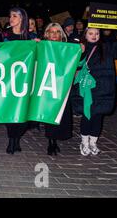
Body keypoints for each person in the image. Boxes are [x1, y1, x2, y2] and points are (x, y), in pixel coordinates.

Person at [71, 28, 117, 156]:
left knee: (98, 116)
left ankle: (93, 143)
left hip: (102, 89)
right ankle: (84, 143)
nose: (94, 36)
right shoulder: (80, 48)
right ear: (85, 34)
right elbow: (74, 65)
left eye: (97, 33)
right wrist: (80, 52)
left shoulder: (106, 47)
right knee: (87, 116)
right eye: (90, 33)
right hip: (86, 89)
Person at [1, 7, 37, 155]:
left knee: (24, 112)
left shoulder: (30, 38)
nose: (11, 19)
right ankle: (11, 140)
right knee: (10, 111)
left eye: (15, 16)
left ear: (22, 19)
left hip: (25, 81)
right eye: (10, 16)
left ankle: (17, 139)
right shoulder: (5, 35)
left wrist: (38, 45)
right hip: (9, 80)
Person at [43, 23, 73, 155]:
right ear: (46, 34)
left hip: (62, 86)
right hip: (47, 85)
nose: (54, 34)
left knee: (61, 114)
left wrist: (82, 50)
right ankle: (51, 142)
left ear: (61, 34)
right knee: (49, 113)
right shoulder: (42, 47)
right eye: (51, 32)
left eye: (57, 32)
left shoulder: (68, 48)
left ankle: (57, 138)